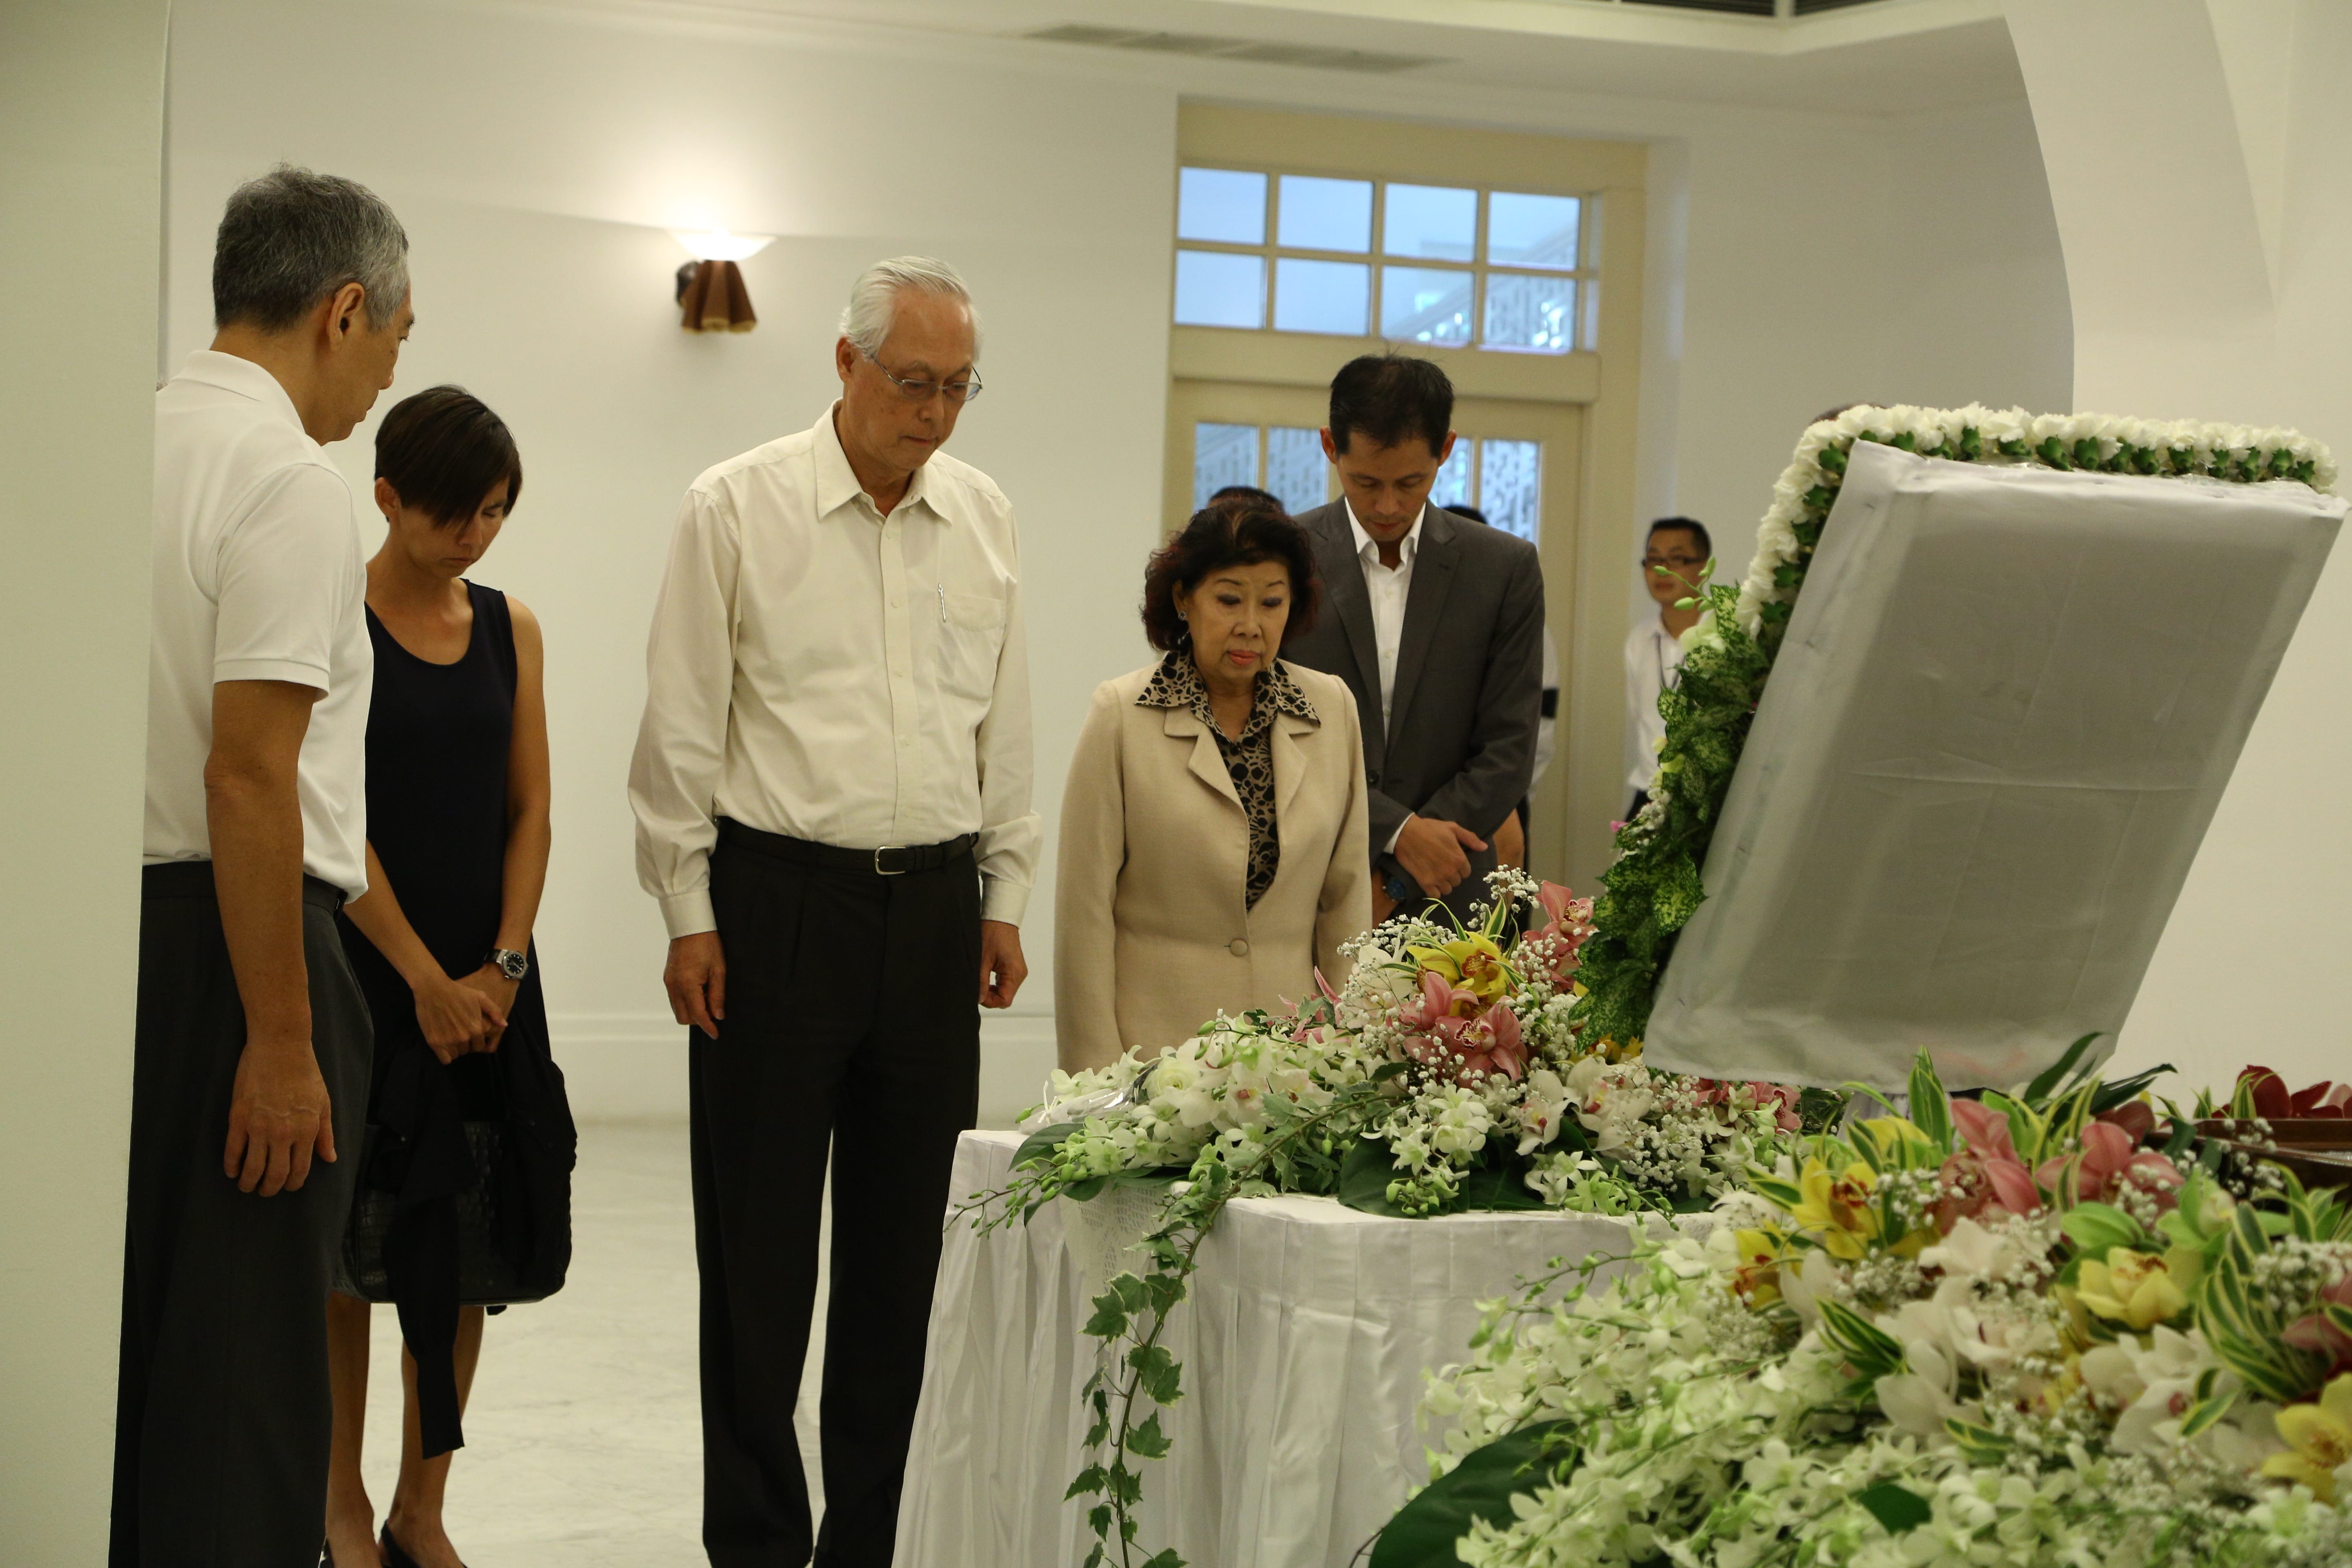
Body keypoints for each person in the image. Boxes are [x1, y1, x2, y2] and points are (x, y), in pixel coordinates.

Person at [628, 256, 1039, 1568]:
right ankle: (756, 1544)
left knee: (901, 1258)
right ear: (848, 366)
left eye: (958, 387)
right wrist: (687, 905)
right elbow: (682, 725)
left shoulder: (983, 515)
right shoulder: (737, 506)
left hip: (932, 905)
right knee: (757, 1262)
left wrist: (1005, 887)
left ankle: (871, 1539)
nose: (934, 411)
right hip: (774, 904)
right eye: (913, 381)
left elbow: (1005, 720)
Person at [120, 165, 411, 1568]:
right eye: (395, 340)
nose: (380, 383)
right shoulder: (288, 478)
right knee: (241, 1370)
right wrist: (284, 1037)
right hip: (241, 948)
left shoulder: (119, 441)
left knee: (120, 1341)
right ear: (342, 311)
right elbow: (249, 772)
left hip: (101, 932)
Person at [323, 388, 572, 1568]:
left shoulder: (509, 624)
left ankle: (423, 1510)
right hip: (371, 976)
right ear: (386, 500)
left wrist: (503, 966)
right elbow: (334, 821)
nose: (475, 537)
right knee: (353, 1252)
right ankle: (337, 1508)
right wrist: (426, 977)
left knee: (468, 1240)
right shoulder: (334, 620)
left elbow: (531, 807)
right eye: (453, 519)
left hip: (489, 988)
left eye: (494, 513)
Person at [1055, 495, 1371, 1071]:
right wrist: (1096, 1077)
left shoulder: (1331, 709)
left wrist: (1351, 1053)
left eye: (1272, 602)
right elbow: (1085, 914)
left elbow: (1346, 901)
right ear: (1183, 599)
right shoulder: (1122, 715)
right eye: (1228, 599)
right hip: (1153, 1056)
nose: (1250, 624)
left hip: (1294, 1060)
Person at [1281, 354, 1545, 923]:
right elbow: (1270, 730)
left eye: (1411, 482)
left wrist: (1401, 875)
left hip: (1451, 891)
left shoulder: (1503, 568)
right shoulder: (1283, 557)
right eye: (1365, 482)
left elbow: (1508, 749)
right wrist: (1396, 832)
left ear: (1445, 450)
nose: (1388, 506)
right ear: (1331, 446)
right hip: (1307, 886)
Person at [1443, 503, 1557, 872]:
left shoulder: (1521, 623)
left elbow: (1540, 725)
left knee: (1499, 916)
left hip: (1499, 791)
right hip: (1425, 804)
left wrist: (1511, 792)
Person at [1625, 517, 1710, 820]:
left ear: (1703, 568)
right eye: (1654, 560)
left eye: (1676, 559)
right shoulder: (1639, 640)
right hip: (1647, 796)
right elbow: (1640, 718)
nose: (1662, 570)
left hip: (1707, 803)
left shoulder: (1726, 639)